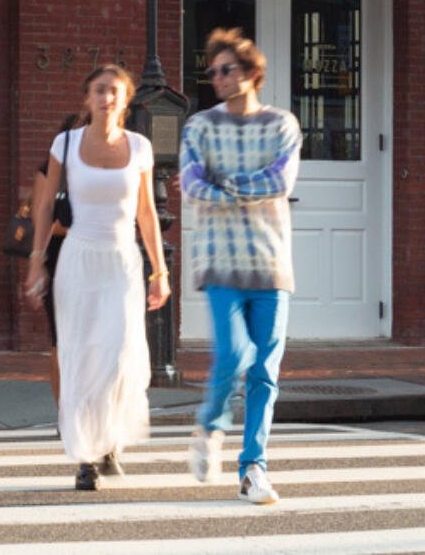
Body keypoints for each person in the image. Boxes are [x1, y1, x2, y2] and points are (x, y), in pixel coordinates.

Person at [23, 66, 170, 490]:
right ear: (87, 99)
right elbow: (46, 204)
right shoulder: (64, 144)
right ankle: (87, 456)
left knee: (120, 353)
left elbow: (147, 214)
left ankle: (110, 441)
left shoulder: (140, 147)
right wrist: (36, 260)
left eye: (115, 92)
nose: (106, 98)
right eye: (99, 90)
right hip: (77, 261)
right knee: (81, 355)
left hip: (123, 260)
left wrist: (159, 271)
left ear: (125, 101)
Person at [180, 27, 300, 507]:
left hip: (271, 262)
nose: (218, 79)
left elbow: (280, 180)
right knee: (232, 355)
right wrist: (233, 186)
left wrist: (223, 183)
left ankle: (253, 469)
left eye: (227, 70)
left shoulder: (282, 124)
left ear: (252, 74)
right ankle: (210, 425)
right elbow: (191, 183)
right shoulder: (199, 126)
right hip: (219, 259)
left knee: (265, 373)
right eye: (212, 72)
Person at [32, 110, 86, 402]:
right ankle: (65, 410)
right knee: (62, 339)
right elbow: (40, 222)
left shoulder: (101, 171)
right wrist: (77, 228)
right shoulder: (48, 172)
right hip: (59, 258)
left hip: (96, 258)